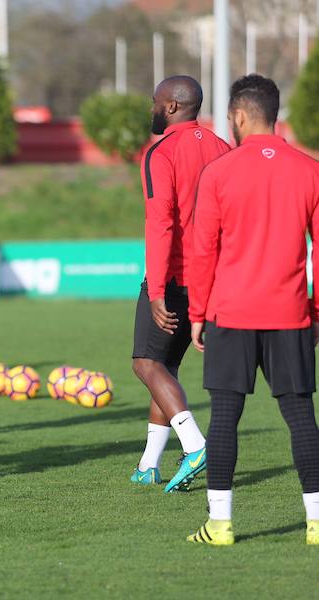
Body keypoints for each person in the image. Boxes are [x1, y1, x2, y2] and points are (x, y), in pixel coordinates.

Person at [186, 74, 319, 545]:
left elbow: (203, 249)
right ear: (274, 114)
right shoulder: (310, 170)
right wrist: (315, 310)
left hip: (232, 313)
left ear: (239, 116)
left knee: (224, 416)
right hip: (290, 314)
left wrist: (198, 313)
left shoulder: (219, 172)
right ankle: (316, 524)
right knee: (301, 415)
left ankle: (220, 526)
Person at [130, 75, 230, 493]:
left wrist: (156, 291)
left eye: (155, 102)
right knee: (166, 367)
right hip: (216, 278)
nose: (152, 108)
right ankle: (150, 464)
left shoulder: (161, 152)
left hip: (175, 277)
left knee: (146, 364)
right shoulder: (224, 149)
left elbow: (161, 223)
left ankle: (194, 444)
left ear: (171, 106)